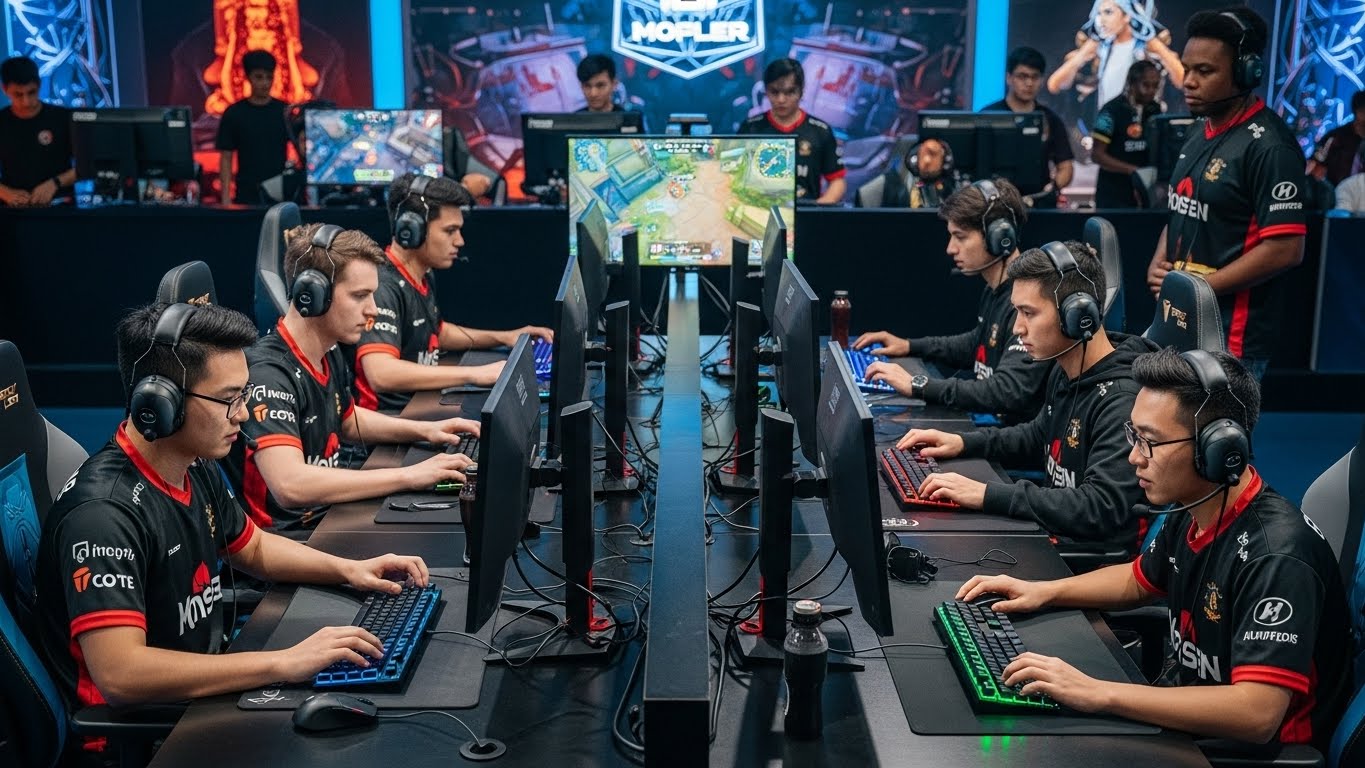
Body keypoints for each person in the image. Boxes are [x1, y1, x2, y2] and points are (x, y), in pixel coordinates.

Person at [34, 302, 433, 720]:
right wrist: (285, 662)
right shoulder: (103, 516)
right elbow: (122, 676)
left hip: (201, 692)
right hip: (146, 733)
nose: (243, 414)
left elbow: (254, 547)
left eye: (243, 394)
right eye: (229, 399)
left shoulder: (192, 464)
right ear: (161, 403)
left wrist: (350, 569)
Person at [955, 349, 1349, 751]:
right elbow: (1137, 580)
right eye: (1134, 436)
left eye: (1150, 442)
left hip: (1243, 753)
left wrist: (1098, 692)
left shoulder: (1277, 555)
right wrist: (1042, 590)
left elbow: (1256, 714)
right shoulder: (1195, 506)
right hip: (1185, 719)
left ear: (1216, 449)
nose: (1133, 458)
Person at [896, 241, 1156, 553]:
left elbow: (1099, 507)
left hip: (1088, 559)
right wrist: (962, 443)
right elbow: (1036, 436)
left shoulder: (1123, 401)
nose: (1017, 328)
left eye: (1028, 313)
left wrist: (988, 495)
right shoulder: (1065, 367)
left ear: (1077, 315)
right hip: (1053, 534)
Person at [223, 223, 480, 534]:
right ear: (312, 295)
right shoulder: (268, 375)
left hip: (328, 517)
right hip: (294, 540)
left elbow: (346, 418)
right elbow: (290, 485)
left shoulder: (327, 349)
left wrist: (426, 430)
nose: (373, 310)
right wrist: (410, 475)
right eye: (360, 296)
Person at [1146, 8, 1306, 381]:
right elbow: (1183, 207)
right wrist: (1160, 262)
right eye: (1187, 69)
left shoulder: (1271, 147)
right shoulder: (1197, 131)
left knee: (1215, 423)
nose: (1188, 81)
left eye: (1205, 71)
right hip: (1180, 319)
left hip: (1231, 339)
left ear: (1246, 73)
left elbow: (1286, 248)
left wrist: (1197, 289)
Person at [352, 173, 553, 412]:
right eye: (450, 231)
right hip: (390, 423)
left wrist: (506, 337)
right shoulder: (382, 287)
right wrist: (474, 374)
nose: (459, 241)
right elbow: (381, 373)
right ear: (411, 229)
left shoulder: (420, 274)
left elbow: (438, 332)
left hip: (419, 404)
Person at [853, 178, 1047, 422]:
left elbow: (1007, 390)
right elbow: (976, 343)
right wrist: (909, 346)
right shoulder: (996, 288)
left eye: (960, 237)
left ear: (999, 237)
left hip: (1009, 439)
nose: (950, 249)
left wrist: (918, 384)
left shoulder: (1027, 304)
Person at [738, 58, 846, 203]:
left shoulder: (820, 131)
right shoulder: (750, 128)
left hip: (806, 213)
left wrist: (820, 207)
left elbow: (837, 180)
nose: (781, 99)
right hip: (759, 211)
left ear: (801, 91)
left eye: (789, 92)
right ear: (766, 91)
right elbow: (732, 176)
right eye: (774, 92)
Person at [1046, 0, 1184, 110]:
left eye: (1108, 12)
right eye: (1099, 13)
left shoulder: (1148, 47)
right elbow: (1054, 84)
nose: (1102, 20)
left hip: (1142, 124)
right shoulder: (1100, 50)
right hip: (1108, 126)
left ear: (1127, 15)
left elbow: (1181, 81)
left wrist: (1157, 46)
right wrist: (1084, 52)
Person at [981, 47, 1074, 206]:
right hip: (994, 203)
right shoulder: (987, 116)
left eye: (1035, 77)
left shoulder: (1051, 119)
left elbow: (1066, 166)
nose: (1029, 83)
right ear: (1009, 78)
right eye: (1022, 76)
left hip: (1038, 203)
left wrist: (1051, 190)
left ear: (1042, 80)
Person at [215, 49, 289, 205]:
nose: (265, 83)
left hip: (280, 194)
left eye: (269, 77)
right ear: (248, 78)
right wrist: (225, 198)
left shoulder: (285, 112)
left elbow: (302, 149)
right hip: (246, 193)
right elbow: (226, 157)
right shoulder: (234, 113)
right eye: (259, 77)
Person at [0, 55, 74, 207]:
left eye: (31, 92)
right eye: (18, 94)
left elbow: (86, 166)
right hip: (12, 210)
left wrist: (55, 183)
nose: (26, 102)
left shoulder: (62, 117)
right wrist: (4, 192)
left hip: (59, 206)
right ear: (4, 89)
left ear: (39, 85)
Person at [1091, 60, 1163, 208]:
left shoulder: (1156, 110)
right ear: (1132, 83)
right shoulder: (1110, 111)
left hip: (1146, 193)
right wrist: (1133, 171)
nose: (1151, 90)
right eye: (1146, 85)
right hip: (1113, 194)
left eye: (1155, 86)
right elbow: (1097, 155)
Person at [873, 138, 962, 209]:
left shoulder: (954, 189)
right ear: (914, 160)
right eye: (923, 154)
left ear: (945, 161)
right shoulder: (892, 185)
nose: (927, 160)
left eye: (933, 154)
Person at [1307, 89, 1365, 186]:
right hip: (1337, 192)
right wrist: (1316, 170)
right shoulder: (1336, 137)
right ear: (1358, 111)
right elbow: (1315, 164)